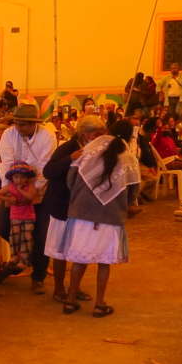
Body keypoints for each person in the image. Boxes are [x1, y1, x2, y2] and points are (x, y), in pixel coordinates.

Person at [57, 124, 136, 316]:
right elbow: (133, 189)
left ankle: (70, 300)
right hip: (110, 215)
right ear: (130, 137)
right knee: (103, 263)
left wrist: (79, 197)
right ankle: (100, 305)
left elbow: (70, 179)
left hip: (81, 213)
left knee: (79, 259)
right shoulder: (128, 159)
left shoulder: (88, 151)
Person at [42, 115, 106, 303]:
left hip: (83, 207)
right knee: (60, 250)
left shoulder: (98, 150)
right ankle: (59, 289)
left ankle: (74, 288)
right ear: (84, 133)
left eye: (102, 134)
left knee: (81, 248)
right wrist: (71, 158)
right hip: (61, 204)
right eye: (96, 134)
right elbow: (49, 171)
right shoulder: (68, 148)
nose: (100, 138)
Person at [0, 106, 55, 294]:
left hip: (39, 192)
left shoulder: (47, 137)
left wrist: (31, 192)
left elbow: (43, 168)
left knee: (41, 236)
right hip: (14, 190)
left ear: (33, 124)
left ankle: (38, 277)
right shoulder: (8, 134)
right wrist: (12, 192)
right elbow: (6, 163)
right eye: (16, 123)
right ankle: (25, 257)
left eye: (22, 124)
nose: (18, 127)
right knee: (3, 226)